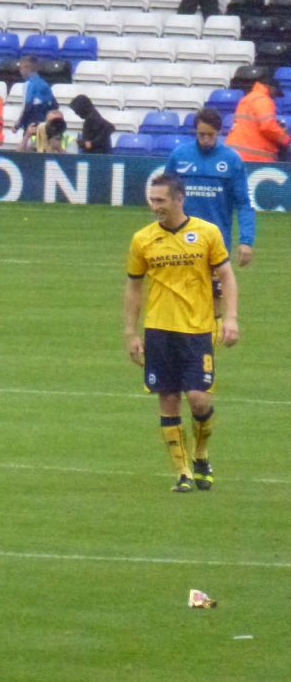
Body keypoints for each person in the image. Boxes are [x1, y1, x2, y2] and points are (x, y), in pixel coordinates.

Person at [123, 173, 238, 492]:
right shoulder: (142, 239)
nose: (154, 206)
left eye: (160, 200)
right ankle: (184, 472)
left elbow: (226, 277)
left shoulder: (206, 233)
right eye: (152, 200)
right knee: (169, 400)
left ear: (179, 199)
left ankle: (201, 454)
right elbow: (134, 287)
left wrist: (230, 318)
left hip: (198, 330)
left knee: (199, 400)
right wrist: (131, 332)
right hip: (159, 331)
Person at [164, 108, 255, 318]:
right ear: (195, 132)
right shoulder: (179, 156)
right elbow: (165, 194)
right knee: (179, 299)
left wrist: (246, 240)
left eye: (210, 135)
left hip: (216, 242)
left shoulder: (231, 160)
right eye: (201, 134)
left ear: (219, 132)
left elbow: (243, 203)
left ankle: (207, 348)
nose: (206, 140)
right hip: (180, 240)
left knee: (214, 303)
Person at [226, 76, 290, 163]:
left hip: (234, 154)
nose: (274, 98)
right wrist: (286, 139)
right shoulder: (264, 100)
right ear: (271, 88)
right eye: (275, 93)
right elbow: (268, 127)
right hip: (254, 158)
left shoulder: (246, 98)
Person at [15, 55, 58, 141]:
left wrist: (18, 125)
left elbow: (26, 106)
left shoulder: (29, 84)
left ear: (27, 68)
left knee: (29, 150)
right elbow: (55, 105)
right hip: (45, 126)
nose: (20, 71)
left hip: (32, 124)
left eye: (21, 68)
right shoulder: (45, 84)